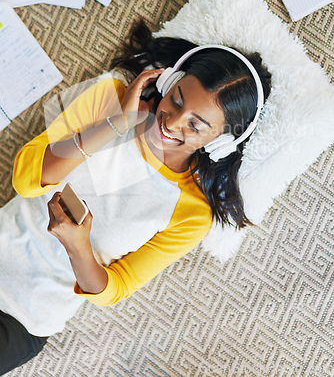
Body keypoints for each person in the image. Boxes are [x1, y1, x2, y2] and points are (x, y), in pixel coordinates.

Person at [0, 19, 271, 374]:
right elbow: (27, 177)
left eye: (196, 125)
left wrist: (77, 246)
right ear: (169, 82)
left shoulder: (192, 214)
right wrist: (116, 123)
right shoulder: (109, 97)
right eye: (176, 99)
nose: (172, 122)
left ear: (219, 143)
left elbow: (114, 288)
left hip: (25, 317)